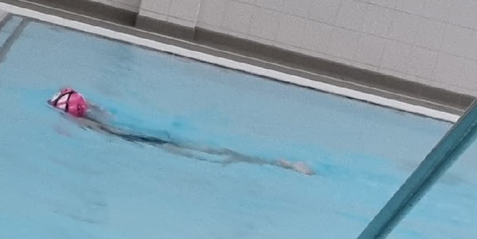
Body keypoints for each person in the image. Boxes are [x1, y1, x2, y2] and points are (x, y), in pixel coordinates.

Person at [48, 88, 314, 176]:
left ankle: (279, 165)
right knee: (214, 151)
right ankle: (278, 164)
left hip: (147, 141)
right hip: (150, 135)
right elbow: (89, 104)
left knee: (209, 155)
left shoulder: (88, 122)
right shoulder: (99, 112)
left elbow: (90, 127)